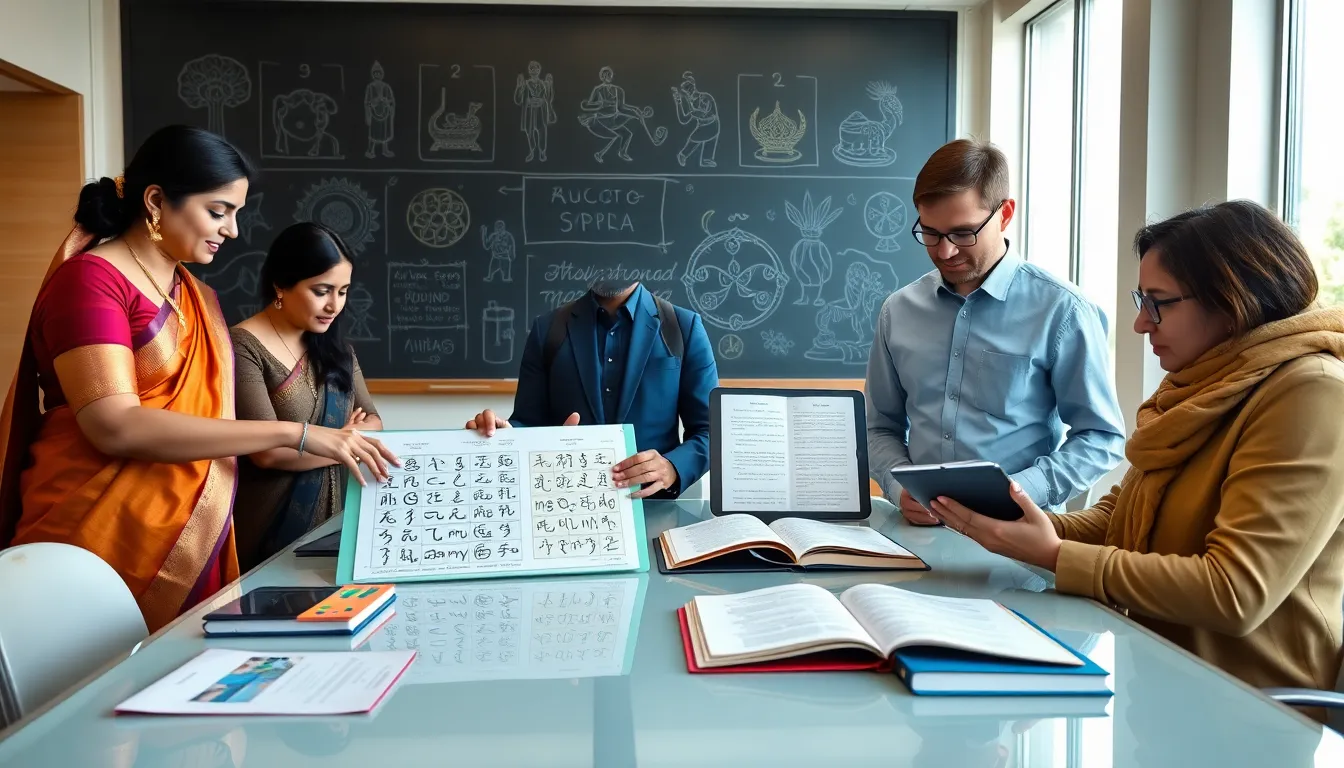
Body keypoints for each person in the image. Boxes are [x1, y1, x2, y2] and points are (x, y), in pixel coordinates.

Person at [925, 200, 1344, 713]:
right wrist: (1009, 521)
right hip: (1158, 679)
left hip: (1252, 710)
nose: (1141, 324)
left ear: (1233, 299)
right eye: (1141, 300)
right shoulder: (1203, 382)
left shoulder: (1312, 393)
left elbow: (1235, 593)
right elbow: (1122, 517)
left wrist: (1053, 554)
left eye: (1159, 303)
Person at [0, 125, 397, 632]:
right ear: (156, 201)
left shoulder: (196, 297)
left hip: (195, 526)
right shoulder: (90, 282)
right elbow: (114, 425)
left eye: (236, 213)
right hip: (96, 532)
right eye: (218, 211)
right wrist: (294, 432)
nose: (232, 230)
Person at [866, 138, 1125, 523]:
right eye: (931, 233)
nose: (945, 252)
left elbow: (1102, 438)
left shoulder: (1063, 311)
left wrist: (1019, 492)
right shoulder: (898, 311)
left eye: (962, 233)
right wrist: (897, 484)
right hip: (917, 536)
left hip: (1020, 536)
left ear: (1004, 215)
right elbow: (878, 428)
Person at [466, 280, 717, 499]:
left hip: (652, 506)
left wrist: (672, 467)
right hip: (565, 507)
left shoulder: (682, 327)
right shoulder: (547, 329)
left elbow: (711, 431)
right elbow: (527, 423)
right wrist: (503, 436)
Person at [230, 222, 383, 572]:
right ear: (281, 284)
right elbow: (266, 452)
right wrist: (344, 442)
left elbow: (374, 421)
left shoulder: (337, 349)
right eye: (322, 291)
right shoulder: (242, 347)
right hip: (270, 525)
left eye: (343, 292)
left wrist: (331, 442)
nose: (334, 306)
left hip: (337, 523)